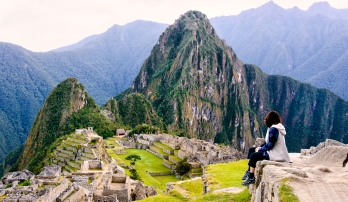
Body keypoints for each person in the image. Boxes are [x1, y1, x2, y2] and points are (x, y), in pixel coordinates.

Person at [241, 110, 291, 186]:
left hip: (276, 154)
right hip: (273, 151)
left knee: (253, 155)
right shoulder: (273, 128)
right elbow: (266, 142)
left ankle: (251, 177)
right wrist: (259, 147)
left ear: (270, 119)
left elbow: (270, 145)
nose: (265, 120)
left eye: (266, 118)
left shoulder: (274, 129)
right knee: (252, 149)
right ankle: (249, 172)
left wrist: (260, 149)